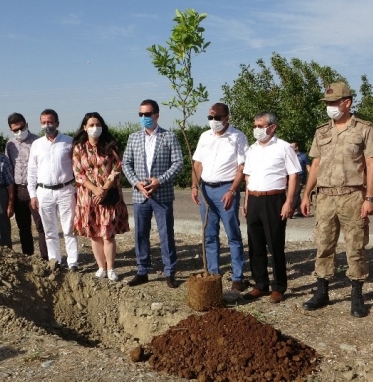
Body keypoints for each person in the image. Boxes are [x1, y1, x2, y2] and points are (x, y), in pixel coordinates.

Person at [300, 82, 373, 318]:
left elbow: (372, 164)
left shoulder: (363, 129)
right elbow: (315, 164)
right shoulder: (322, 131)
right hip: (325, 197)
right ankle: (322, 291)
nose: (330, 107)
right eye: (327, 103)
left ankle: (357, 295)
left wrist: (370, 197)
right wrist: (306, 194)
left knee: (355, 247)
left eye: (334, 102)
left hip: (352, 196)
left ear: (347, 103)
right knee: (323, 245)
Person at [122, 99, 183, 288]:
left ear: (156, 115)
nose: (143, 117)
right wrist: (136, 183)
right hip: (141, 195)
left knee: (166, 234)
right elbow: (126, 163)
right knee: (141, 234)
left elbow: (178, 163)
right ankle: (142, 271)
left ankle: (169, 272)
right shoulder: (133, 137)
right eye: (140, 114)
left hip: (162, 194)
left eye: (147, 114)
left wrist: (160, 180)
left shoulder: (169, 136)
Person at [241, 111, 300, 304]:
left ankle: (279, 287)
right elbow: (248, 176)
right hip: (254, 199)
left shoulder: (283, 147)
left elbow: (293, 175)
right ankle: (260, 284)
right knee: (255, 244)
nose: (256, 129)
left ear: (272, 127)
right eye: (255, 126)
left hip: (274, 199)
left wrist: (289, 202)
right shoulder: (251, 149)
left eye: (260, 126)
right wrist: (247, 200)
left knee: (275, 244)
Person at [191, 103, 249, 291]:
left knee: (233, 234)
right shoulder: (204, 136)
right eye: (210, 117)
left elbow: (242, 168)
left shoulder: (237, 137)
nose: (213, 121)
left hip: (226, 189)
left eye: (217, 117)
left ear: (226, 118)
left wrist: (232, 190)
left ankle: (237, 277)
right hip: (206, 189)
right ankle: (214, 274)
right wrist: (194, 185)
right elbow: (197, 164)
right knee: (209, 235)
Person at [72, 112, 130, 282]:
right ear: (85, 127)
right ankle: (101, 267)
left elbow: (117, 168)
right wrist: (95, 189)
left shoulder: (110, 146)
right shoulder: (79, 148)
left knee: (108, 234)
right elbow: (78, 173)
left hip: (108, 196)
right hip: (88, 198)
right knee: (95, 234)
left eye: (97, 124)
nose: (94, 128)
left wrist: (103, 189)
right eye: (91, 125)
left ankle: (111, 268)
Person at [28, 109, 79, 270]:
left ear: (57, 123)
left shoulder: (69, 142)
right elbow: (32, 171)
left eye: (50, 122)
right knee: (49, 229)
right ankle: (54, 260)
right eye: (44, 122)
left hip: (65, 189)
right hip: (44, 192)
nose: (47, 125)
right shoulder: (37, 144)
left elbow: (77, 167)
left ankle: (73, 262)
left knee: (69, 227)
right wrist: (32, 194)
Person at [5, 112, 48, 260]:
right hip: (19, 190)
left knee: (41, 225)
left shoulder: (38, 141)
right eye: (15, 130)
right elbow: (9, 167)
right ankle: (28, 257)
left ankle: (46, 258)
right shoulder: (10, 145)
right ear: (11, 130)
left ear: (26, 125)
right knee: (23, 227)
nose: (19, 132)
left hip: (36, 189)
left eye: (21, 128)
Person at [290, 142, 310, 218]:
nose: (291, 148)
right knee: (294, 193)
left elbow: (308, 167)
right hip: (292, 176)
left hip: (300, 177)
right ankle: (300, 211)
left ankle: (291, 211)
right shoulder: (290, 156)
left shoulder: (303, 156)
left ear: (296, 147)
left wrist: (310, 178)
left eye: (292, 147)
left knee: (296, 193)